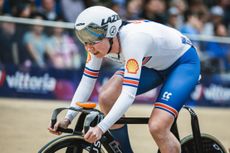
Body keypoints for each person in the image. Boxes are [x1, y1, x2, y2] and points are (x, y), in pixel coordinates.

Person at [48, 6, 200, 153]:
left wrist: (101, 128)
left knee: (157, 127)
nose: (88, 47)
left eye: (92, 39)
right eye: (84, 39)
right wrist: (68, 118)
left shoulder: (133, 40)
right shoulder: (97, 45)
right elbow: (87, 81)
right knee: (107, 97)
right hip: (152, 64)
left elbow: (128, 95)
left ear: (111, 32)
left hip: (182, 64)